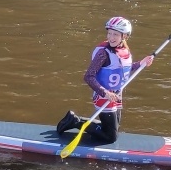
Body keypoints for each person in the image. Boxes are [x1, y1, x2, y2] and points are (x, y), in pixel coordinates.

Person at [56, 16, 154, 145]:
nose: (111, 37)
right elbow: (88, 76)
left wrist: (141, 63)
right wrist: (105, 93)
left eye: (115, 34)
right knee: (110, 137)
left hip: (116, 95)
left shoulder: (124, 50)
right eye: (109, 33)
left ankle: (74, 119)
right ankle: (76, 122)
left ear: (124, 36)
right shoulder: (103, 53)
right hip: (103, 96)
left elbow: (124, 69)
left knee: (113, 129)